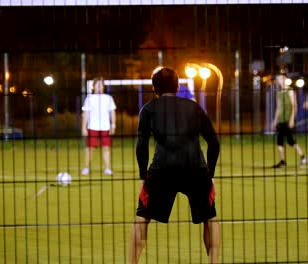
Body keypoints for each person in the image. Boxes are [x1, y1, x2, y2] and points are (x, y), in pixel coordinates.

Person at [128, 67, 220, 264]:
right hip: (195, 168)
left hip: (162, 169)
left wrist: (143, 176)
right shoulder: (194, 107)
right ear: (178, 86)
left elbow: (141, 145)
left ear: (154, 88)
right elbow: (214, 142)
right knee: (210, 218)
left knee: (141, 217)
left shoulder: (149, 108)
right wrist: (210, 175)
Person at [81, 77, 117, 176]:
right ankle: (86, 168)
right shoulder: (89, 98)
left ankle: (108, 168)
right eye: (98, 85)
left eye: (101, 85)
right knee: (90, 148)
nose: (99, 87)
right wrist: (84, 127)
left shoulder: (108, 98)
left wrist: (113, 125)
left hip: (105, 127)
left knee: (106, 148)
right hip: (93, 127)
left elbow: (112, 112)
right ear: (94, 86)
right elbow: (86, 113)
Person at [272, 74, 307, 168]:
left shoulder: (290, 91)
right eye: (278, 79)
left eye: (280, 79)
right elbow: (278, 108)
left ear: (284, 79)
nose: (279, 81)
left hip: (288, 119)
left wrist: (292, 119)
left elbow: (294, 105)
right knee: (279, 141)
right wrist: (275, 120)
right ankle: (282, 161)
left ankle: (303, 156)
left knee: (290, 141)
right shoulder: (279, 93)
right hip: (281, 120)